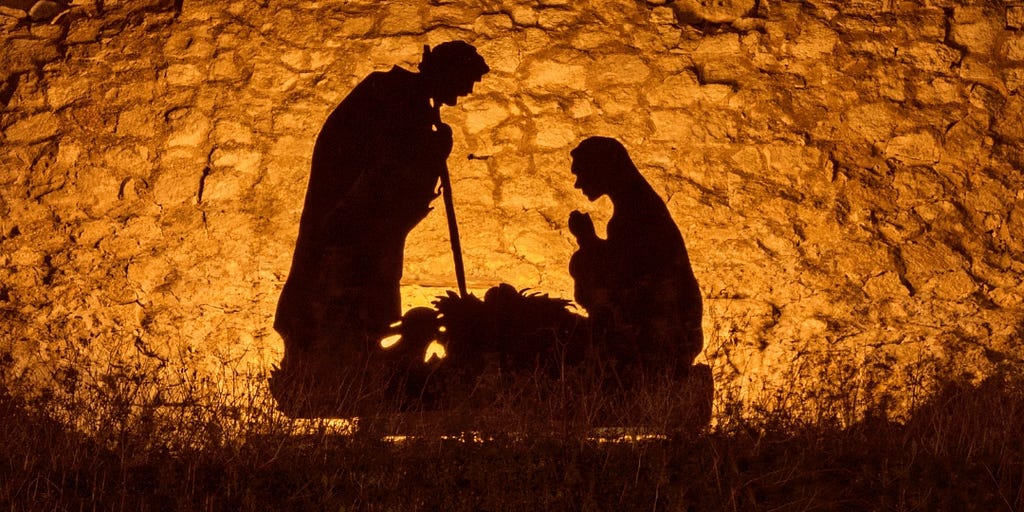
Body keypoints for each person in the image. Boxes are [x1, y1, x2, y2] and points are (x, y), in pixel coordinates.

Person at [272, 41, 489, 416]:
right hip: (351, 232)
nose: (466, 93)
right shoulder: (391, 96)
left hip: (371, 231)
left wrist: (430, 154)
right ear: (445, 72)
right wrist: (430, 154)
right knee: (348, 305)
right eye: (465, 81)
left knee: (367, 306)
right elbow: (380, 171)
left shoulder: (409, 101)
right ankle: (338, 384)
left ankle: (360, 380)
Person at [567, 137, 703, 379]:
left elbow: (623, 280)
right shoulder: (636, 208)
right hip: (663, 330)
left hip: (660, 336)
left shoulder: (635, 215)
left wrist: (587, 241)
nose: (578, 184)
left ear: (602, 168)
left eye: (582, 173)